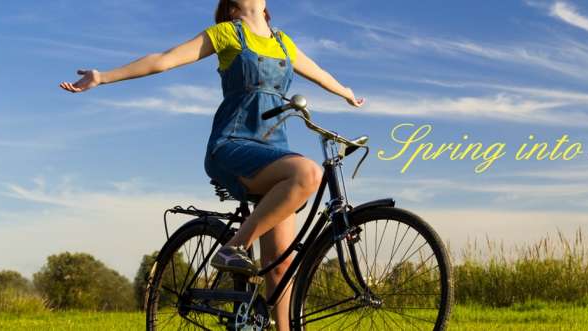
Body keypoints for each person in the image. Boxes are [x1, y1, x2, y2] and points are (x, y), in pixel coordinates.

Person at [59, 1, 364, 329]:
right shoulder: (226, 34)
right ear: (233, 7)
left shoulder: (283, 42)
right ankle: (234, 247)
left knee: (280, 264)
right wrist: (102, 77)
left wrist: (346, 92)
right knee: (308, 172)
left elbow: (319, 74)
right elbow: (163, 61)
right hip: (233, 145)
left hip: (275, 153)